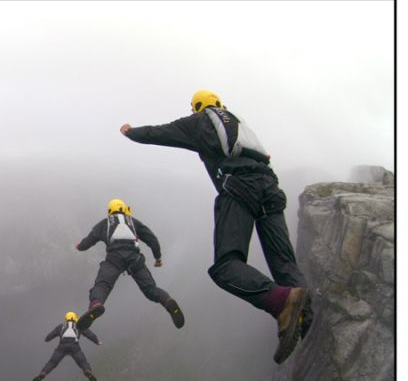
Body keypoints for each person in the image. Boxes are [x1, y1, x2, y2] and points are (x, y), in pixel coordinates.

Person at [119, 89, 311, 363]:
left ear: (197, 107)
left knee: (226, 266)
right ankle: (305, 320)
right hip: (270, 188)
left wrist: (130, 132)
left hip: (238, 187)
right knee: (284, 264)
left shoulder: (198, 121)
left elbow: (157, 133)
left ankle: (281, 302)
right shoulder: (239, 122)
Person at [75, 199, 185, 332]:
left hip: (114, 259)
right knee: (150, 289)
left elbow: (88, 242)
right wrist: (158, 258)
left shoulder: (104, 224)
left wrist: (79, 247)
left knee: (102, 285)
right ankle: (167, 301)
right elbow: (152, 239)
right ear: (125, 209)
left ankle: (96, 305)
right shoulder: (134, 222)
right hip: (135, 259)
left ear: (110, 211)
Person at [33, 312, 101, 381]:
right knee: (82, 361)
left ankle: (43, 373)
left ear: (66, 318)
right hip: (74, 346)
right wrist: (97, 341)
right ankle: (87, 371)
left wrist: (47, 339)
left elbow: (50, 336)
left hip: (62, 346)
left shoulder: (61, 326)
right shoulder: (79, 325)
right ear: (75, 318)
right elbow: (89, 334)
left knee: (52, 362)